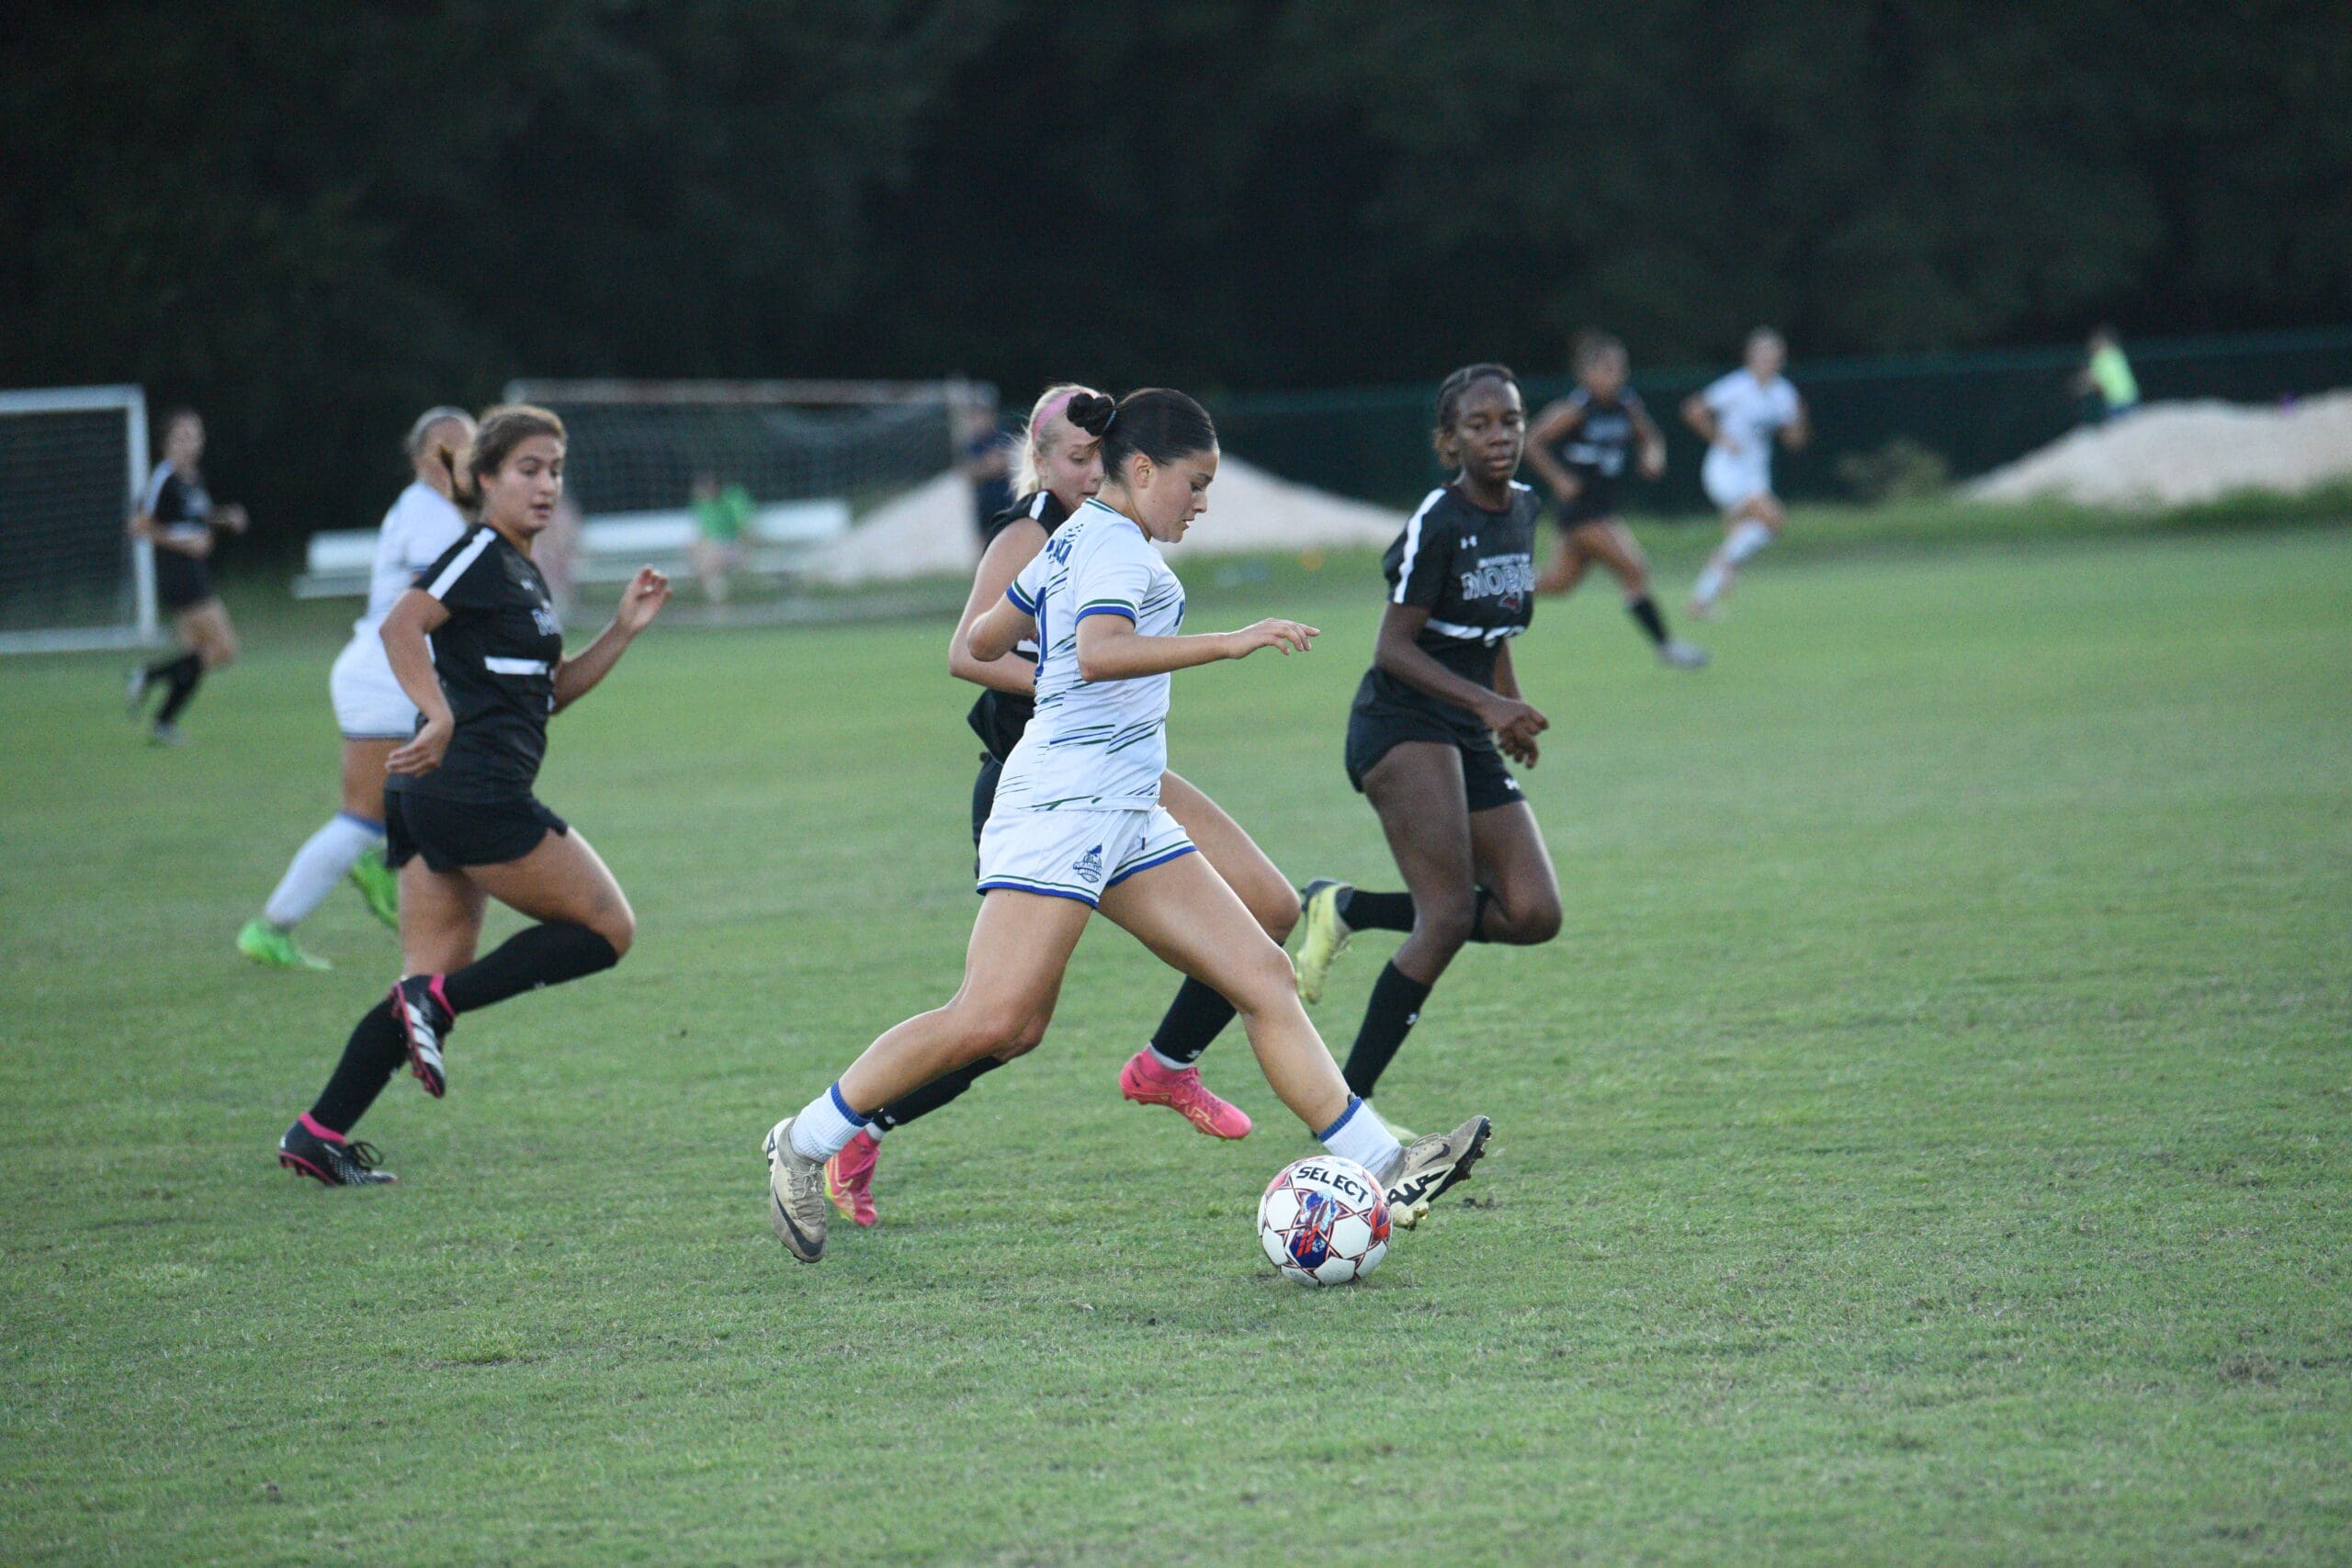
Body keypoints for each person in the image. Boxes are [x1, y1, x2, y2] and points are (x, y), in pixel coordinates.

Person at [763, 388, 1491, 1262]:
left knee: (1262, 973)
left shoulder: (1073, 539)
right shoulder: (1109, 545)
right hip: (1062, 807)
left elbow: (987, 639)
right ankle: (801, 1142)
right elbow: (1099, 652)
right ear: (1142, 470)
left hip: (1125, 805)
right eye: (1196, 483)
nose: (1203, 503)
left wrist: (1056, 653)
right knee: (992, 1018)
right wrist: (1230, 640)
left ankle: (1388, 1160)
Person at [820, 384, 1293, 1229]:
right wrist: (1068, 679)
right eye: (1073, 459)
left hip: (1122, 775)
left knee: (1272, 904)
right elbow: (968, 652)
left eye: (1094, 455)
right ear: (1040, 463)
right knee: (1009, 1024)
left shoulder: (1120, 532)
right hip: (1038, 779)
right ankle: (862, 1126)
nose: (1087, 470)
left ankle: (1168, 1063)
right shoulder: (1031, 536)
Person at [276, 406, 672, 1186]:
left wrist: (622, 630)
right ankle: (438, 1002)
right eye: (528, 469)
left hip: (437, 795)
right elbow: (400, 626)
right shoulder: (480, 553)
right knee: (607, 929)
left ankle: (317, 1131)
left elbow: (548, 695)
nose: (546, 484)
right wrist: (441, 713)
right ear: (484, 478)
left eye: (555, 470)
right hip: (472, 792)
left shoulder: (522, 571)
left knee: (422, 981)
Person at [1291, 365, 1564, 1138]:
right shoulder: (1438, 520)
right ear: (1450, 441)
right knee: (1445, 915)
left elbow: (1494, 628)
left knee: (1533, 911)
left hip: (1466, 725)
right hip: (1401, 722)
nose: (1499, 436)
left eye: (1510, 420)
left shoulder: (1525, 508)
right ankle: (1344, 1114)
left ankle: (1346, 907)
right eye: (1479, 424)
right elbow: (1394, 648)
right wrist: (1488, 704)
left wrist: (1506, 710)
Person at [238, 408, 477, 970]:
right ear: (420, 458)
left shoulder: (430, 510)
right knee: (365, 817)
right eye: (448, 448)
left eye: (469, 447)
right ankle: (272, 927)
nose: (461, 459)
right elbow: (433, 601)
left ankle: (386, 862)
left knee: (424, 800)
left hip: (389, 670)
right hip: (387, 672)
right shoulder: (430, 514)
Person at [1521, 333, 1706, 669]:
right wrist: (1559, 479)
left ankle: (1491, 587)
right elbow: (1532, 441)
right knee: (1634, 568)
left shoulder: (1626, 405)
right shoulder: (1575, 409)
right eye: (1606, 369)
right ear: (1586, 374)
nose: (1615, 376)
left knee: (1557, 583)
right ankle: (1666, 647)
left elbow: (1650, 436)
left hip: (1602, 507)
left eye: (1619, 368)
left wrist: (1653, 456)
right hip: (1583, 511)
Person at [124, 409, 248, 743]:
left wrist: (224, 518)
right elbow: (139, 526)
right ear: (167, 443)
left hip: (193, 570)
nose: (190, 443)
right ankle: (148, 676)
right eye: (182, 436)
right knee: (224, 649)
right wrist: (184, 543)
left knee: (196, 655)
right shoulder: (163, 478)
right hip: (179, 574)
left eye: (195, 435)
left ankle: (163, 723)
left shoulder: (192, 478)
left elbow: (197, 518)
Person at [1681, 329, 1809, 619]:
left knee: (1753, 533)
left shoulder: (1783, 393)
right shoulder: (1737, 386)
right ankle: (1724, 559)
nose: (1769, 363)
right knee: (1774, 519)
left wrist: (1800, 418)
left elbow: (1794, 442)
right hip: (1726, 470)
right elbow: (1693, 409)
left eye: (1775, 358)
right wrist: (1721, 439)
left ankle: (1701, 601)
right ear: (1751, 358)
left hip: (1756, 476)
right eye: (1764, 357)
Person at [688, 471, 753, 604]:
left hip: (733, 548)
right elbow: (704, 534)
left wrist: (747, 552)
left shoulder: (733, 498)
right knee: (704, 555)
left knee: (710, 560)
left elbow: (745, 530)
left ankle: (718, 601)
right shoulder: (702, 505)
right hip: (714, 553)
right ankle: (718, 599)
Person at [2073, 325, 2140, 423]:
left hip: (2115, 401)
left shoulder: (2099, 359)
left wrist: (2081, 387)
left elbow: (2094, 380)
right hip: (2130, 395)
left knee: (2117, 429)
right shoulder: (2116, 353)